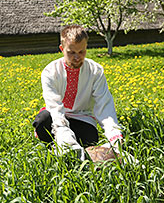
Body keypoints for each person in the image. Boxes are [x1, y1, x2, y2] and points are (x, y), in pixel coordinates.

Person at [32, 25, 123, 157]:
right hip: (56, 115)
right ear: (62, 49)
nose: (77, 57)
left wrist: (115, 136)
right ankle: (57, 146)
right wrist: (64, 134)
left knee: (90, 139)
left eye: (81, 52)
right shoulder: (50, 72)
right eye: (71, 52)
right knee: (42, 122)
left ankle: (61, 146)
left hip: (82, 117)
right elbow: (55, 108)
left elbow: (104, 106)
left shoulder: (95, 71)